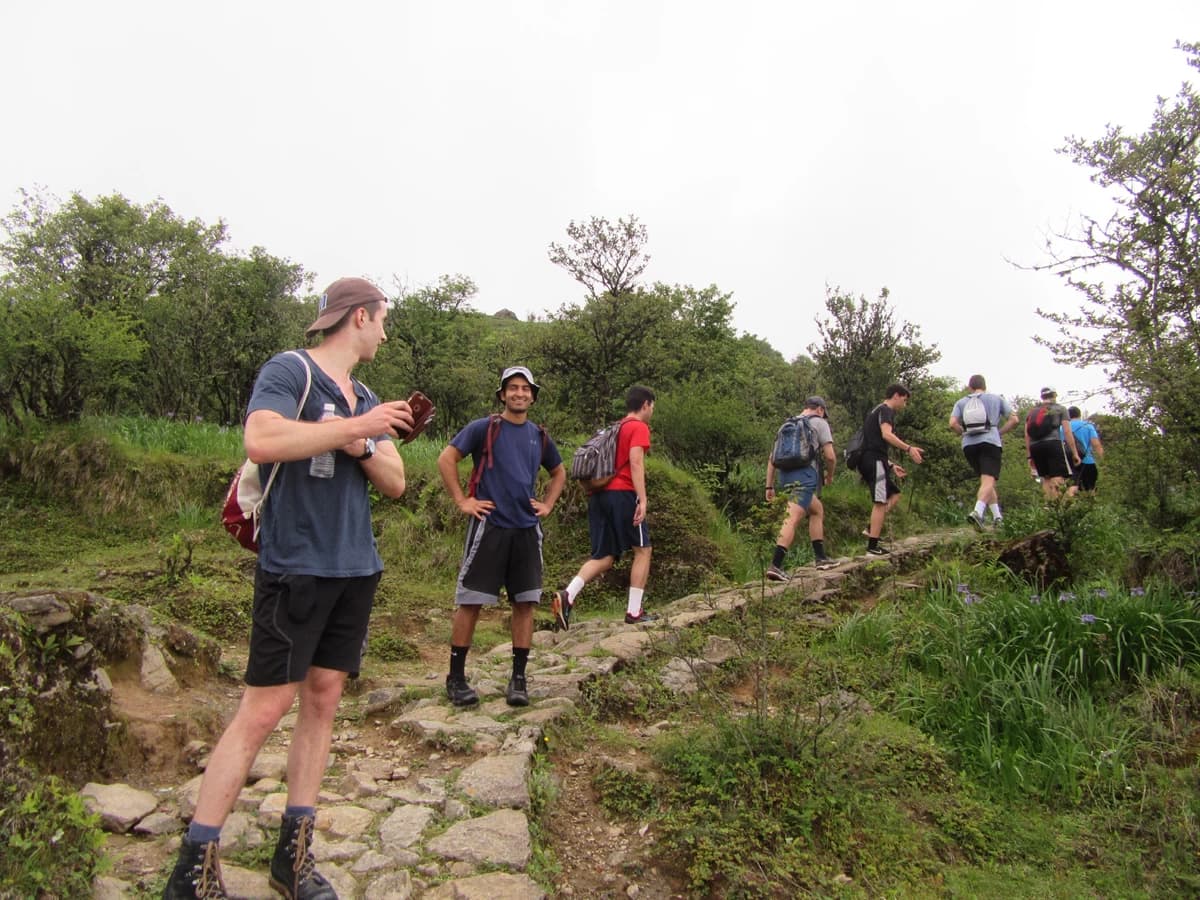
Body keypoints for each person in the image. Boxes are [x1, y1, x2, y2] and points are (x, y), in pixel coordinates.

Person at [164, 277, 416, 900]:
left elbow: (395, 480)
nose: (385, 332)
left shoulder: (366, 394)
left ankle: (293, 857)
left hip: (355, 566)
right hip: (295, 564)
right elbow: (263, 438)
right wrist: (351, 427)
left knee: (324, 699)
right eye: (382, 319)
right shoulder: (291, 370)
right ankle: (193, 869)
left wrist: (361, 438)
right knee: (264, 707)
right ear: (359, 317)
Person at [439, 366, 566, 708]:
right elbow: (447, 457)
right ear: (502, 394)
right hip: (490, 525)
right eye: (513, 388)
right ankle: (455, 678)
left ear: (533, 396)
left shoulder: (539, 436)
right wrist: (462, 501)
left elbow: (558, 471)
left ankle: (519, 680)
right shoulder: (485, 428)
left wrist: (548, 504)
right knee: (471, 601)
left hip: (526, 529)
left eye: (526, 389)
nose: (519, 393)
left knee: (524, 603)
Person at [551, 386, 657, 628]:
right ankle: (634, 611)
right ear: (646, 405)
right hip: (623, 494)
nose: (651, 411)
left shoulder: (615, 428)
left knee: (604, 556)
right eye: (652, 406)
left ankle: (568, 595)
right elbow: (636, 461)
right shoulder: (638, 427)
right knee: (643, 550)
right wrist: (642, 498)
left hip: (599, 495)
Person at [764, 396, 838, 579]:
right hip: (805, 477)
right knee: (793, 517)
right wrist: (830, 475)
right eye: (823, 412)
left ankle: (821, 558)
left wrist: (769, 486)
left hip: (785, 477)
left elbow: (772, 459)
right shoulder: (819, 423)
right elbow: (830, 456)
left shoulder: (786, 425)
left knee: (817, 510)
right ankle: (775, 565)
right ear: (820, 409)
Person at [858, 384, 924, 555]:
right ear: (896, 395)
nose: (905, 404)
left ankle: (872, 528)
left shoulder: (875, 411)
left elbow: (872, 442)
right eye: (904, 400)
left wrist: (891, 465)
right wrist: (909, 449)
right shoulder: (886, 410)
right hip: (874, 460)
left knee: (894, 494)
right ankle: (872, 547)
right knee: (880, 501)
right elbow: (886, 435)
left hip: (874, 459)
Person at [949, 374, 1019, 530]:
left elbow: (952, 423)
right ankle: (977, 512)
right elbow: (1014, 420)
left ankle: (997, 517)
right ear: (985, 386)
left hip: (968, 445)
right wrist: (999, 432)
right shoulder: (995, 399)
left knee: (986, 482)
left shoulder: (961, 402)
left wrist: (963, 433)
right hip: (990, 442)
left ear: (970, 387)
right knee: (988, 481)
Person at [1025, 387, 1080, 499]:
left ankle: (1048, 507)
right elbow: (1067, 431)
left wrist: (1029, 456)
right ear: (1054, 395)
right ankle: (1058, 509)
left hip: (1035, 447)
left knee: (1045, 478)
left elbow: (1027, 434)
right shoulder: (1060, 409)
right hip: (1053, 444)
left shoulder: (1032, 412)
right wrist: (1075, 453)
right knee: (1057, 477)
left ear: (1042, 397)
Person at [1067, 406, 1104, 493]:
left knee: (1071, 487)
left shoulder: (1063, 428)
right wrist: (1102, 460)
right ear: (1079, 415)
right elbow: (1096, 444)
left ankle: (1067, 505)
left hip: (1069, 462)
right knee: (1090, 488)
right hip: (1087, 461)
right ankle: (1089, 506)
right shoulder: (1088, 426)